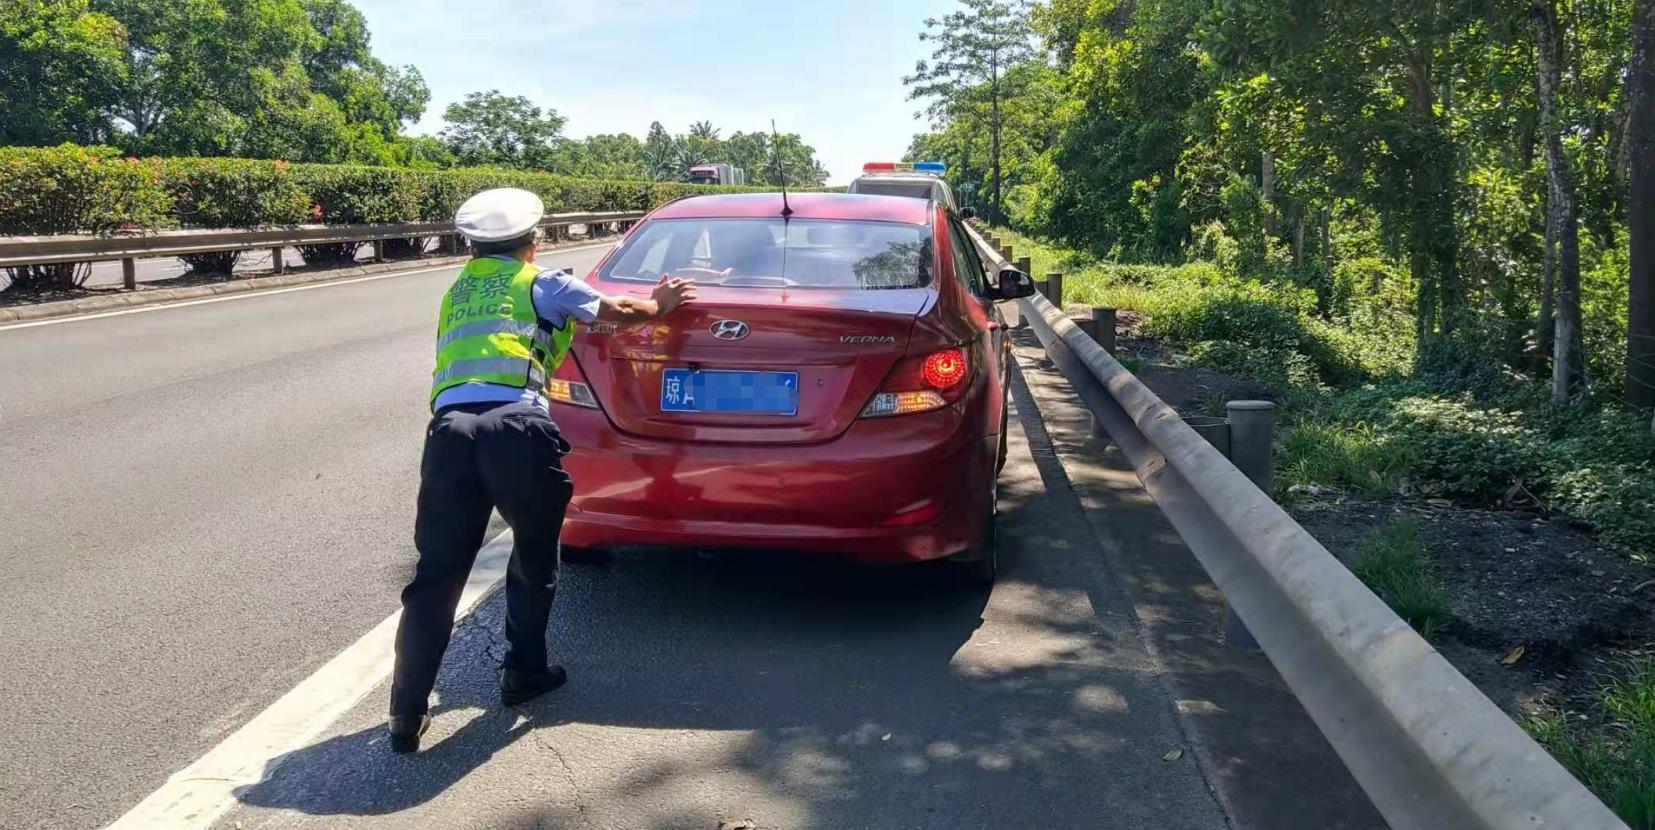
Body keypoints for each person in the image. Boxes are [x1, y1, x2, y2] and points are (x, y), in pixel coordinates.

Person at [388, 187, 696, 753]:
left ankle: (405, 712)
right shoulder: (542, 283)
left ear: (473, 246)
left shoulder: (458, 292)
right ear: (533, 244)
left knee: (436, 574)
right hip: (515, 429)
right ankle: (523, 672)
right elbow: (619, 312)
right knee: (532, 555)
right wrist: (664, 303)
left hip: (450, 432)